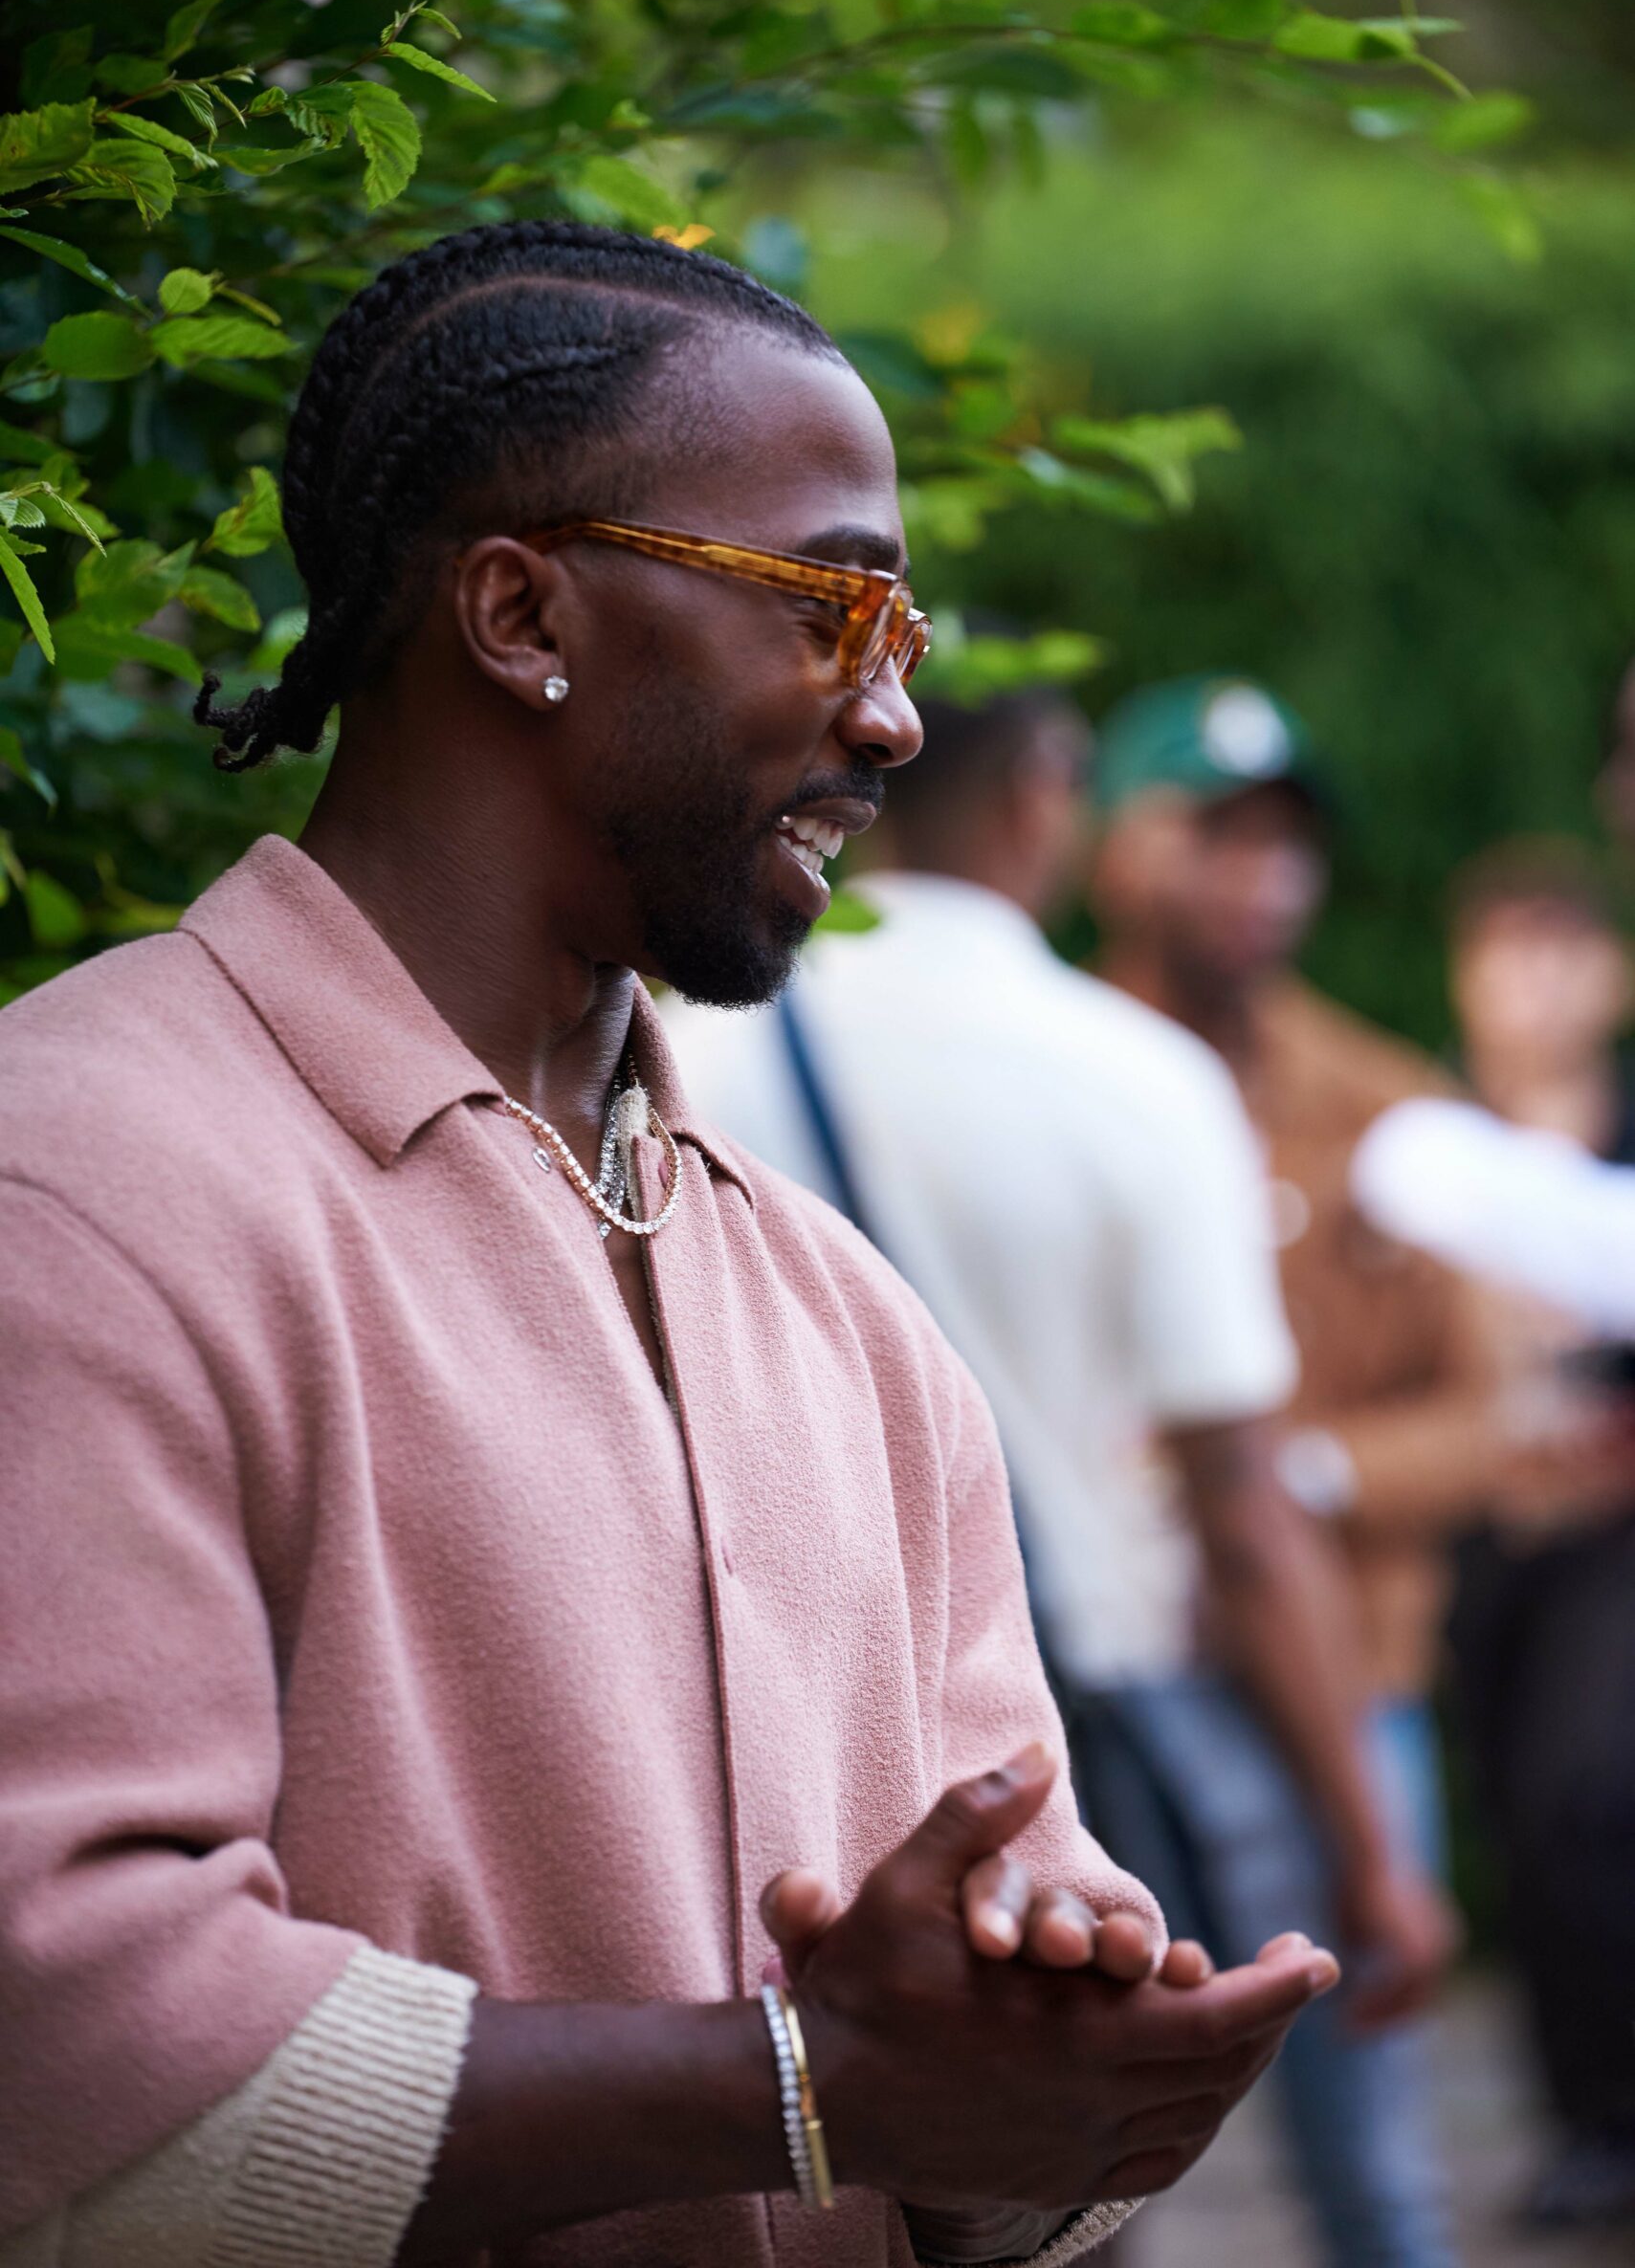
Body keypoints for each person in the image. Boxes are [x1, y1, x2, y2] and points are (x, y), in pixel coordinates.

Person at [0, 228, 1339, 2268]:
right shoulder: (79, 1187)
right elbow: (75, 2064)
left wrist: (1039, 2081)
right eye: (830, 607)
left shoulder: (852, 1323)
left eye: (906, 630)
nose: (895, 718)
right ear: (522, 611)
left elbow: (966, 2160)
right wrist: (794, 2086)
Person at [666, 677, 1452, 2268]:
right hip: (1072, 1740)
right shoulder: (1131, 1079)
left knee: (881, 2203)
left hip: (782, 1741)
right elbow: (1240, 1515)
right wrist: (1372, 1853)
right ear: (1043, 796)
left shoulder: (688, 1041)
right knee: (1185, 2196)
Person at [1091, 675, 1497, 2268]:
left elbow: (1488, 1413)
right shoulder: (1048, 1082)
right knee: (1073, 2189)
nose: (1259, 877)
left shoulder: (1384, 1103)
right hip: (1110, 1694)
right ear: (1111, 844)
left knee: (1377, 2170)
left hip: (1345, 1687)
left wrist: (1296, 1477)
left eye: (1286, 844)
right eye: (1216, 834)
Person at [1437, 842, 1635, 2229]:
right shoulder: (1425, 1143)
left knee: (1589, 1797)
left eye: (1563, 949)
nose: (1537, 983)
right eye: (1508, 952)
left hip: (1617, 1537)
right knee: (1517, 1812)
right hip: (1480, 1531)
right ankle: (1580, 2112)